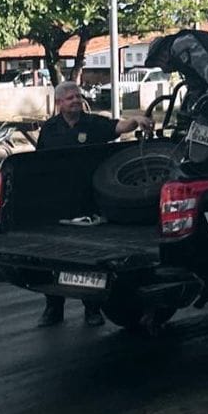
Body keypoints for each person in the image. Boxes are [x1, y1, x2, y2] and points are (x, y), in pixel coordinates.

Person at [35, 81, 151, 327]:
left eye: (78, 96)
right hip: (59, 203)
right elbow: (39, 162)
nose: (76, 101)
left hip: (89, 202)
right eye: (70, 98)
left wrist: (136, 120)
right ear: (59, 103)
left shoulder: (94, 123)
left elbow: (119, 127)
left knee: (88, 259)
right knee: (53, 256)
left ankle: (92, 309)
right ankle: (53, 308)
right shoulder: (49, 129)